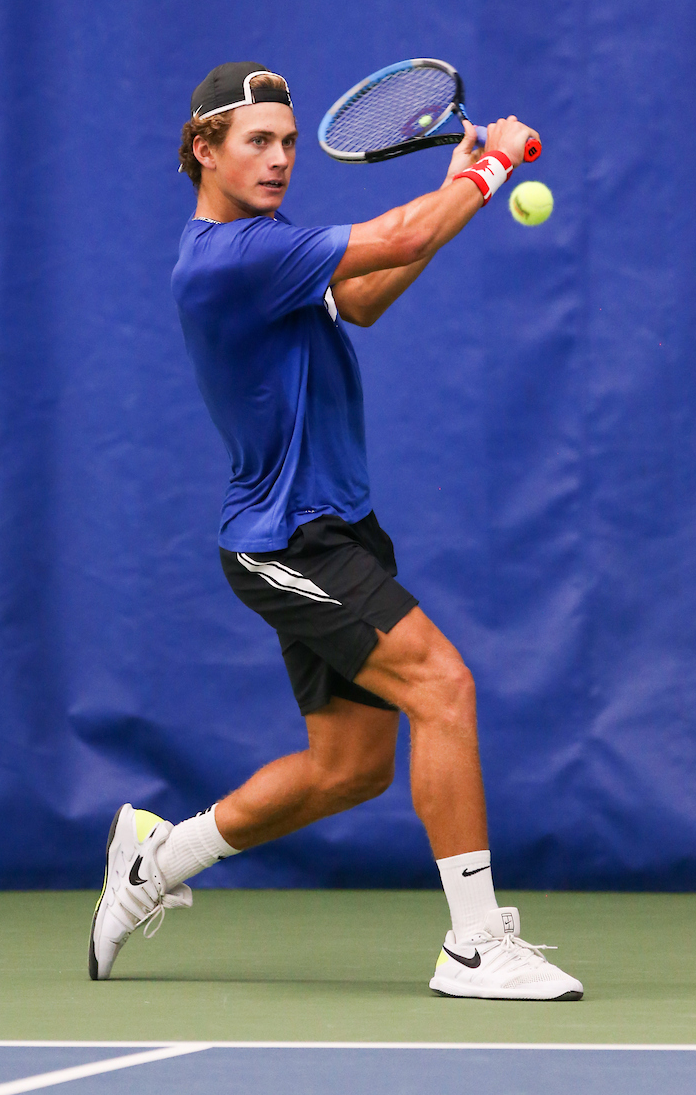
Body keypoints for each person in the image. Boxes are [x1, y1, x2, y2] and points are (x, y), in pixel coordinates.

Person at [88, 61, 583, 1001]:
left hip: (338, 529)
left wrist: (447, 197)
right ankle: (475, 946)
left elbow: (360, 296)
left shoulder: (270, 242)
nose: (279, 160)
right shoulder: (226, 256)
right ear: (205, 150)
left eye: (286, 141)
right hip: (285, 543)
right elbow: (394, 234)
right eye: (257, 142)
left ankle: (156, 858)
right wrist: (488, 173)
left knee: (349, 770)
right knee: (444, 684)